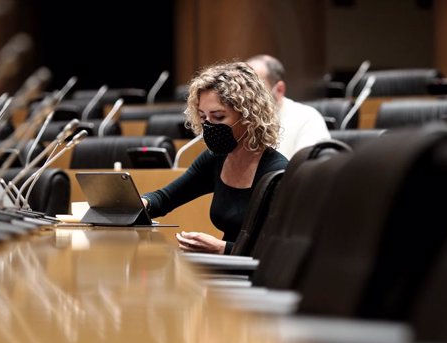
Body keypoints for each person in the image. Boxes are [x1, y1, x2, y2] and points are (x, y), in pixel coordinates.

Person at [140, 61, 288, 255]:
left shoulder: (277, 173)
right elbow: (164, 199)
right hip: (226, 268)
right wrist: (140, 203)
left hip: (256, 277)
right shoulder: (215, 159)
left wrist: (223, 249)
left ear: (248, 117)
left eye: (218, 117)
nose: (209, 126)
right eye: (203, 117)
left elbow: (278, 254)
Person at [246, 54, 331, 159]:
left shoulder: (307, 118)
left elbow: (307, 169)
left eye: (254, 88)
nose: (247, 96)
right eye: (243, 89)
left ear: (279, 90)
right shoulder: (237, 120)